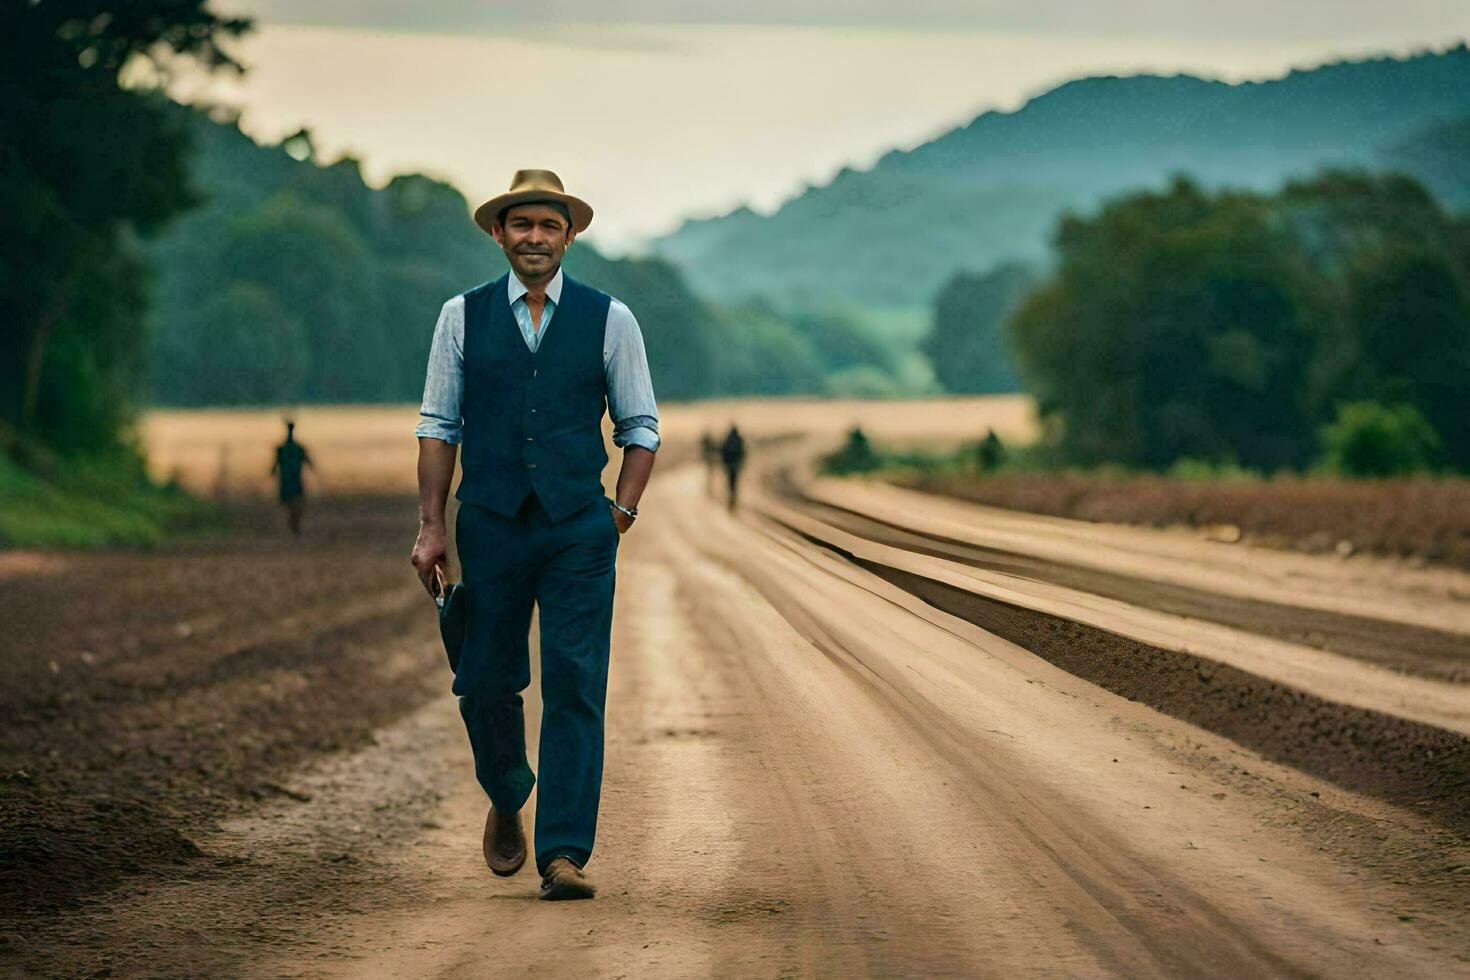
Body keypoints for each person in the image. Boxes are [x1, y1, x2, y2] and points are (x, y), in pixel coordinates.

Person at [409, 170, 659, 902]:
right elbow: (438, 425)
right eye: (522, 226)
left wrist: (621, 513)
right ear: (499, 233)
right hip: (487, 522)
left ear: (569, 236)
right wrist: (431, 527)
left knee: (577, 684)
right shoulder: (461, 316)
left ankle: (563, 852)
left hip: (579, 528)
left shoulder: (611, 319)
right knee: (483, 680)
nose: (536, 239)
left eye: (549, 226)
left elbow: (640, 427)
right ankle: (507, 790)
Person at [270, 420, 313, 535]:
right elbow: (309, 462)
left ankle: (294, 524)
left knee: (292, 505)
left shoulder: (283, 449)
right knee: (295, 504)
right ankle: (294, 525)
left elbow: (274, 466)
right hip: (292, 480)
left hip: (288, 480)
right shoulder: (296, 448)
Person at [719, 424, 746, 512]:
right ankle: (733, 498)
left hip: (729, 465)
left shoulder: (728, 439)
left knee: (730, 483)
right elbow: (743, 452)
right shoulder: (739, 439)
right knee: (734, 483)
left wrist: (724, 463)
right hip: (735, 465)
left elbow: (723, 452)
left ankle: (731, 498)